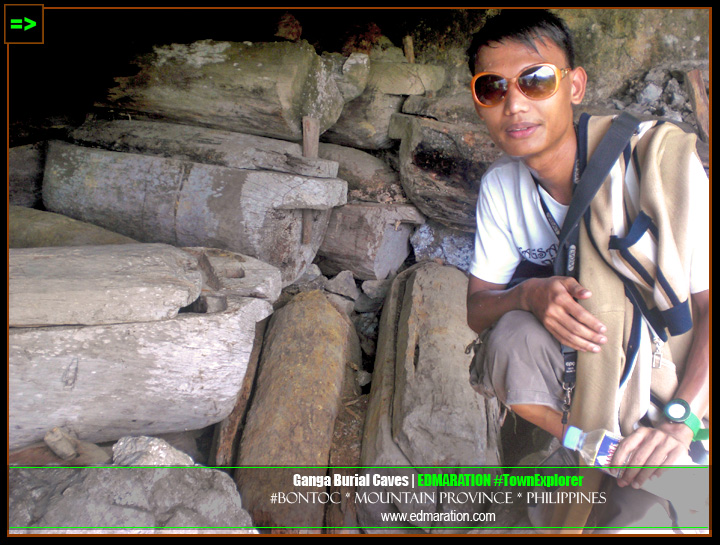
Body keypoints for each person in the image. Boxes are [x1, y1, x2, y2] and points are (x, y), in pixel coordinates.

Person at [464, 8, 709, 495]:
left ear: (574, 86)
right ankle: (594, 449)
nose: (514, 105)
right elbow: (477, 309)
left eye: (535, 81)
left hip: (679, 375)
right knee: (510, 336)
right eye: (492, 88)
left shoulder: (655, 163)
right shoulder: (501, 188)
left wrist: (683, 421)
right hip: (592, 372)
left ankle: (669, 454)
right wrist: (529, 294)